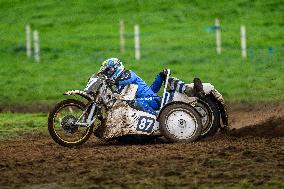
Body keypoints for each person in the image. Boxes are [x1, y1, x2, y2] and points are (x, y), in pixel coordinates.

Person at [99, 58, 204, 115]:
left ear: (116, 69)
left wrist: (111, 81)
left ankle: (191, 91)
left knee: (169, 80)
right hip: (149, 97)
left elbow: (124, 81)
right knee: (133, 102)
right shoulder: (118, 86)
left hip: (151, 101)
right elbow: (151, 90)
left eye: (108, 71)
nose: (107, 74)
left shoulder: (127, 74)